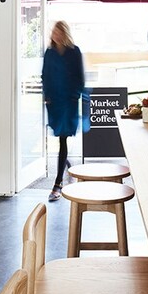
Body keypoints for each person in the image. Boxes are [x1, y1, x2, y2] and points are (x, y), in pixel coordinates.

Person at [42, 21, 85, 202]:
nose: (55, 35)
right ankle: (64, 163)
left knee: (63, 139)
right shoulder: (50, 53)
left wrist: (75, 95)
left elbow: (79, 76)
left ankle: (57, 183)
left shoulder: (74, 52)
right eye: (53, 32)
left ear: (64, 33)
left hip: (68, 102)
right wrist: (47, 97)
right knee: (60, 137)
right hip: (54, 102)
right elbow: (45, 75)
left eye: (58, 32)